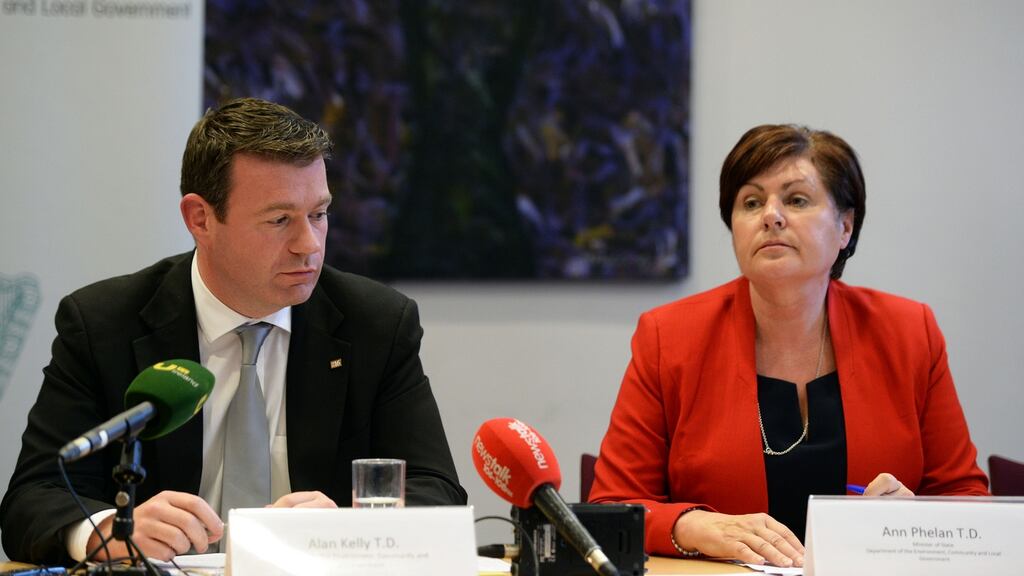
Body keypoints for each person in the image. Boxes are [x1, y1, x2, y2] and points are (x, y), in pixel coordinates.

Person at [0, 98, 467, 565]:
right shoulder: (104, 324)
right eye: (280, 220)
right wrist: (109, 531)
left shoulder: (375, 324)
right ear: (200, 219)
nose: (309, 244)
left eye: (319, 214)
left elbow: (437, 491)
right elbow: (33, 500)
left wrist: (343, 527)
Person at [588, 124, 989, 567]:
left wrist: (911, 521)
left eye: (796, 200)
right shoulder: (669, 336)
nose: (771, 216)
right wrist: (693, 526)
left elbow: (966, 499)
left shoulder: (909, 332)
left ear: (844, 227)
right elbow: (611, 508)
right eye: (751, 202)